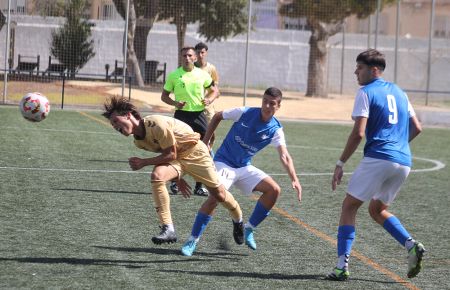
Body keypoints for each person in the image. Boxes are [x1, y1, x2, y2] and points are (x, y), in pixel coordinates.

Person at [327, 49, 424, 281]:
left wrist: (340, 163)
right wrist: (398, 146)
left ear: (374, 70)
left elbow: (358, 133)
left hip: (379, 157)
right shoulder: (400, 92)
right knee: (376, 209)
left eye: (359, 68)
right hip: (403, 161)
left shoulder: (366, 92)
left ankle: (342, 267)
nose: (355, 72)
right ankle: (410, 244)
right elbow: (417, 127)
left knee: (349, 207)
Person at [102, 96, 243, 246]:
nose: (115, 126)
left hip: (196, 153)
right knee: (158, 175)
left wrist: (144, 162)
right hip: (178, 158)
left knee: (219, 195)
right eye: (112, 125)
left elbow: (170, 154)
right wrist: (178, 178)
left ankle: (238, 219)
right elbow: (170, 155)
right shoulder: (138, 141)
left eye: (116, 121)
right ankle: (168, 228)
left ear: (128, 115)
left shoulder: (155, 124)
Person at [180, 87, 302, 256]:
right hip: (224, 163)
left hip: (244, 167)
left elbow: (285, 156)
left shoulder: (275, 129)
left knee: (274, 190)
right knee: (214, 198)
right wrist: (205, 143)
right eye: (265, 101)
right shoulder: (244, 112)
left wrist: (294, 178)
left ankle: (249, 229)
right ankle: (192, 239)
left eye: (272, 103)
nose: (267, 106)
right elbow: (217, 116)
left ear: (278, 106)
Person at [161, 46, 219, 197]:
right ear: (181, 58)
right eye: (184, 56)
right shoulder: (174, 75)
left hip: (199, 116)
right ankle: (174, 182)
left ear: (194, 58)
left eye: (189, 55)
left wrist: (209, 99)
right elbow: (164, 96)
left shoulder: (202, 74)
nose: (187, 58)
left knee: (203, 148)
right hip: (181, 116)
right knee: (178, 149)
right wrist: (175, 103)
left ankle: (199, 186)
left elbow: (215, 91)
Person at [194, 42, 220, 149]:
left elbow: (215, 88)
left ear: (206, 53)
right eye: (198, 52)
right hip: (194, 105)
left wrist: (209, 99)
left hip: (208, 105)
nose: (200, 55)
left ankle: (209, 149)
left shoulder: (211, 68)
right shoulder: (191, 68)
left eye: (202, 52)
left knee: (211, 130)